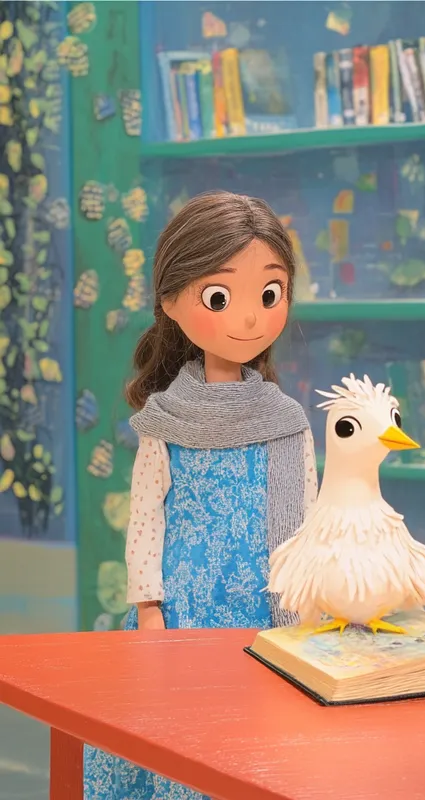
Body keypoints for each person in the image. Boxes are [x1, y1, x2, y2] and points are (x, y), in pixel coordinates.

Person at [83, 191, 317, 799]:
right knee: (187, 742)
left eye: (269, 294)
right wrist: (149, 606)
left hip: (266, 611)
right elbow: (145, 521)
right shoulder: (165, 422)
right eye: (220, 296)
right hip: (187, 610)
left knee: (259, 743)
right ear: (170, 302)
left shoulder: (288, 420)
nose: (249, 318)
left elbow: (309, 519)